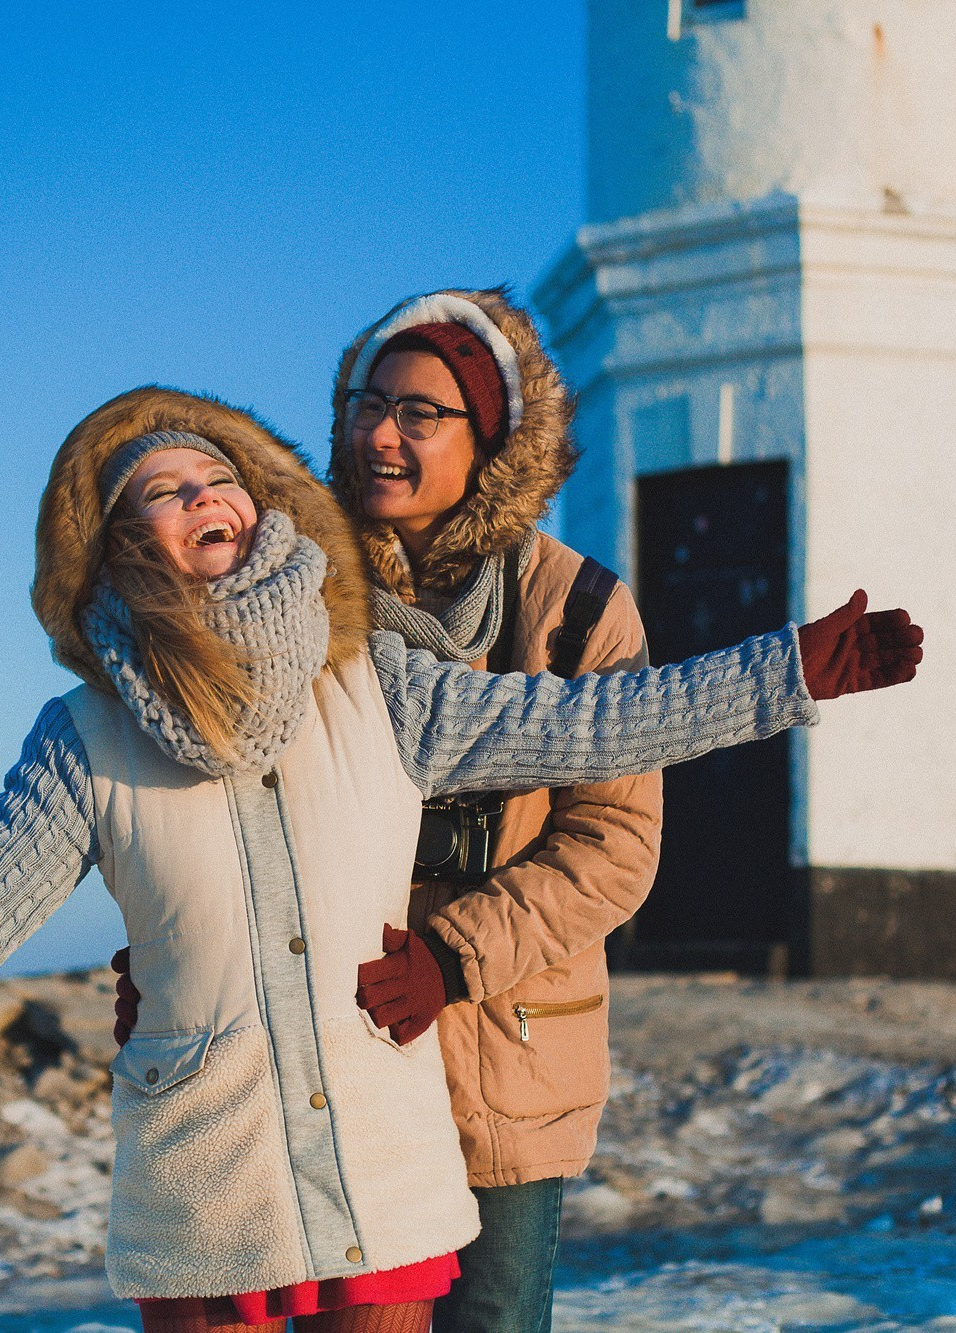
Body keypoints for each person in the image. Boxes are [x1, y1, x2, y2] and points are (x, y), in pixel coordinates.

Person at [0, 386, 921, 1333]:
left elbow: (586, 722)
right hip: (205, 1196)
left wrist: (786, 673)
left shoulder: (372, 678)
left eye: (217, 474)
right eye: (159, 488)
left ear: (259, 503)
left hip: (382, 1174)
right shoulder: (84, 741)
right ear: (113, 547)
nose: (200, 495)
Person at [331, 287, 661, 1333]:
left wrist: (450, 958)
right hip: (334, 1046)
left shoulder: (579, 610)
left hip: (506, 1050)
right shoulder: (299, 599)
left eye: (420, 413)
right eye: (367, 402)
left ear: (492, 442)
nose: (382, 433)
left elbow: (613, 841)